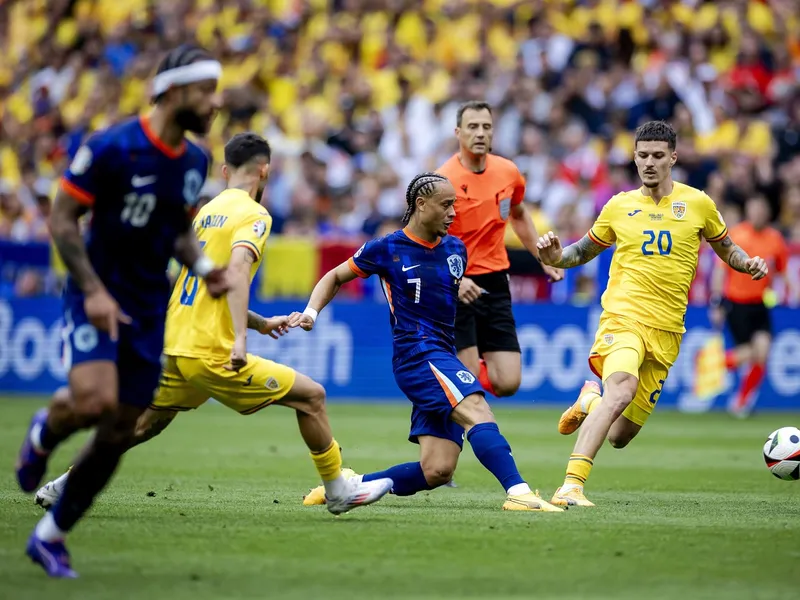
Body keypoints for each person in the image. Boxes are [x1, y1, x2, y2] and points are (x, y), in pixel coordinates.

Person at [34, 133, 393, 517]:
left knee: (141, 424)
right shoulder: (255, 214)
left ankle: (68, 483)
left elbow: (195, 281)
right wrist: (239, 339)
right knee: (312, 397)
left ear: (225, 170)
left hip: (177, 342)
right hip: (209, 350)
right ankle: (337, 488)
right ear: (265, 170)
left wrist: (257, 323)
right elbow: (237, 272)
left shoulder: (205, 212)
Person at [14, 45, 231, 578]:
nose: (214, 102)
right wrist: (91, 289)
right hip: (96, 291)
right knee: (92, 401)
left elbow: (177, 228)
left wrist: (203, 267)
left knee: (117, 429)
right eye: (206, 91)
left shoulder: (195, 161)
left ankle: (51, 536)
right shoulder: (112, 147)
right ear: (174, 91)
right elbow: (63, 220)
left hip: (148, 305)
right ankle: (45, 432)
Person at [290, 172, 562, 512]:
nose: (453, 213)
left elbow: (448, 289)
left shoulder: (455, 248)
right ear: (421, 205)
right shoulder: (387, 248)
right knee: (477, 409)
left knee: (437, 469)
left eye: (455, 205)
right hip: (417, 354)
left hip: (441, 352)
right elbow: (335, 276)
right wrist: (311, 313)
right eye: (446, 205)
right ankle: (519, 493)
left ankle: (346, 487)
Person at [536, 121, 768, 507]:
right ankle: (571, 486)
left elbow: (728, 249)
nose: (649, 163)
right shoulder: (618, 205)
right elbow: (582, 251)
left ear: (673, 158)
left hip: (667, 330)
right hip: (623, 318)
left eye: (658, 156)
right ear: (634, 157)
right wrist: (556, 257)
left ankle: (589, 401)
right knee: (622, 388)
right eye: (642, 155)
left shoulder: (698, 204)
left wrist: (748, 264)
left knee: (620, 435)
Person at [436, 100, 563, 398]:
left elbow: (518, 215)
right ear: (458, 132)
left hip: (495, 280)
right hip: (457, 283)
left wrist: (542, 258)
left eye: (486, 127)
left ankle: (466, 370)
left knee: (508, 382)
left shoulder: (508, 172)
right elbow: (429, 240)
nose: (480, 133)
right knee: (465, 388)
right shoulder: (443, 181)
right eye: (472, 127)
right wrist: (456, 278)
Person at [709, 194, 788, 417]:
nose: (757, 214)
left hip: (760, 303)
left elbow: (782, 271)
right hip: (737, 303)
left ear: (767, 213)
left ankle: (741, 401)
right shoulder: (737, 235)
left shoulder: (775, 239)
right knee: (748, 352)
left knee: (762, 352)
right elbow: (719, 270)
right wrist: (717, 302)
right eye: (754, 210)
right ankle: (713, 366)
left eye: (761, 210)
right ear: (748, 212)